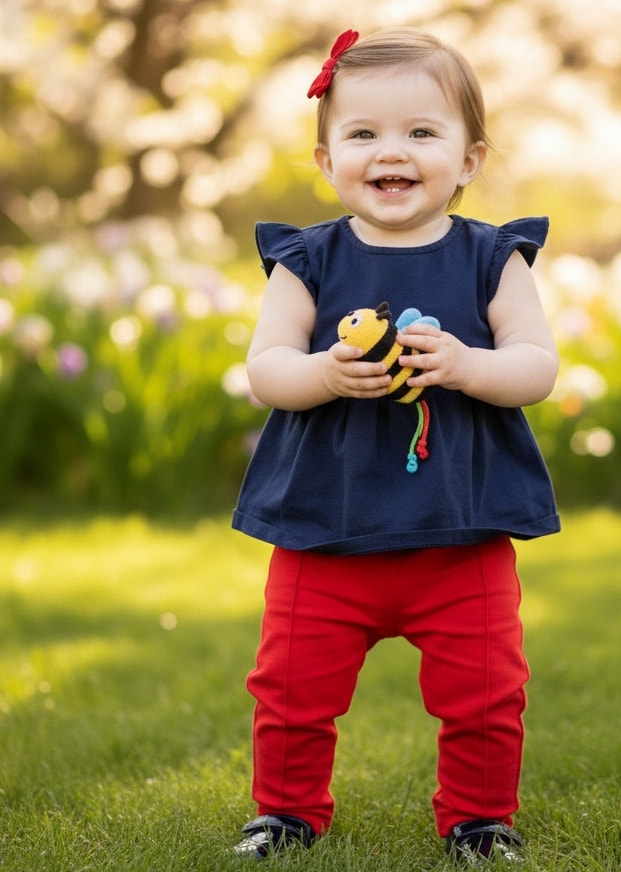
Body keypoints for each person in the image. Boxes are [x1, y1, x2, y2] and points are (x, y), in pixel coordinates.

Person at [231, 26, 560, 865]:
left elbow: (535, 365)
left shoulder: (493, 258)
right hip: (325, 530)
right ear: (326, 157)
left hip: (461, 531)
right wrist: (325, 375)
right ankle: (287, 812)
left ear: (470, 158)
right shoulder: (307, 259)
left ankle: (480, 819)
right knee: (291, 690)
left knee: (487, 693)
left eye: (422, 132)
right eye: (364, 133)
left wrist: (467, 364)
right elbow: (267, 368)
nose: (393, 152)